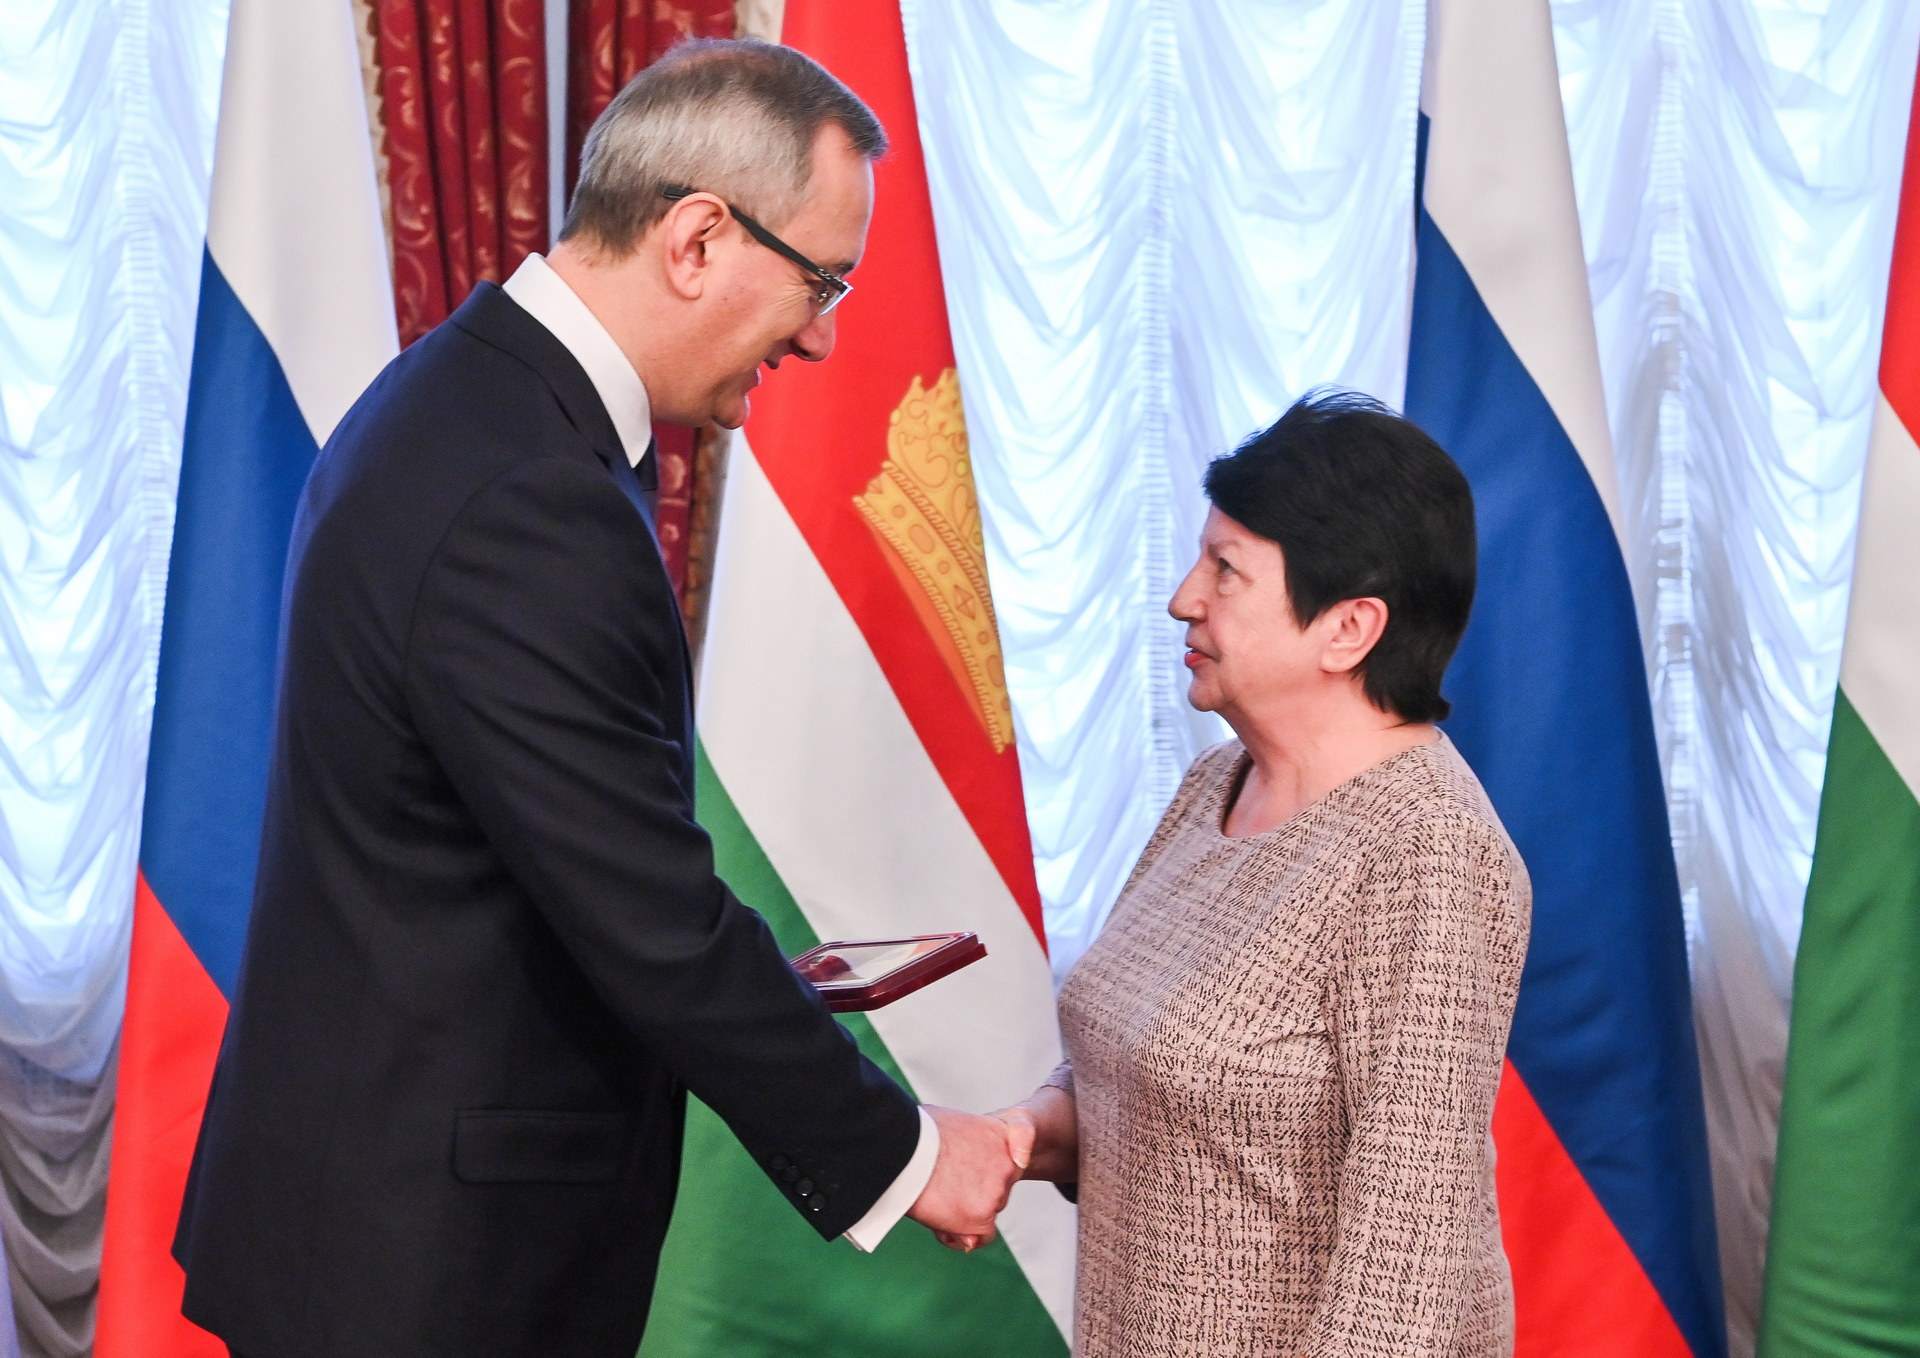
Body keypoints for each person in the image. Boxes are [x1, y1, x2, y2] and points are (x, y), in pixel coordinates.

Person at [173, 40, 1029, 1358]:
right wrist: (908, 1154)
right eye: (821, 281)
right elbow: (646, 912)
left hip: (387, 1223)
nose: (823, 334)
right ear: (698, 239)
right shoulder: (529, 490)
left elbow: (538, 853)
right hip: (422, 1274)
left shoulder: (470, 398)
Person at [994, 390, 1531, 1356]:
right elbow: (1147, 1064)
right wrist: (1017, 1135)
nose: (1183, 598)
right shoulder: (1216, 783)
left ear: (1348, 629)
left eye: (1226, 570)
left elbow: (1405, 1275)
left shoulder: (1425, 852)